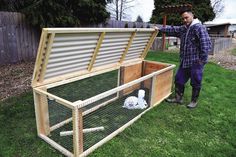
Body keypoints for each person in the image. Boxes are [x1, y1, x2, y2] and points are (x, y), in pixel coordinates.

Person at [155, 9, 212, 109]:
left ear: (192, 16)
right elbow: (172, 30)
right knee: (179, 79)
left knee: (196, 81)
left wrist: (202, 61)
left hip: (196, 62)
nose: (184, 20)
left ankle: (194, 101)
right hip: (185, 61)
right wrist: (159, 29)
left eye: (186, 17)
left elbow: (206, 45)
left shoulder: (199, 28)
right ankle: (178, 98)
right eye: (183, 18)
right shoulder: (184, 28)